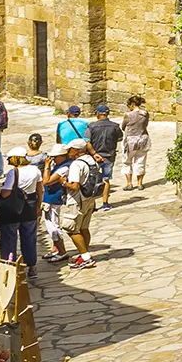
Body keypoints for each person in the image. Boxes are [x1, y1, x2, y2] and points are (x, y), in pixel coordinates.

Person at [0, 150, 40, 269]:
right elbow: (40, 189)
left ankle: (10, 265)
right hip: (30, 207)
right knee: (29, 238)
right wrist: (38, 206)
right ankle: (31, 266)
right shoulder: (35, 170)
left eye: (9, 158)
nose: (8, 161)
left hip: (13, 209)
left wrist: (2, 189)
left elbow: (6, 193)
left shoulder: (13, 172)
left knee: (9, 238)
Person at [60, 139, 99, 268]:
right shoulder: (92, 160)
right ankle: (84, 253)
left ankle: (86, 257)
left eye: (70, 149)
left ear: (76, 151)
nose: (68, 152)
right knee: (83, 228)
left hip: (77, 200)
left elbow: (75, 186)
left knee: (71, 229)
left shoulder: (76, 165)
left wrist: (63, 182)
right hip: (89, 199)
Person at [86, 102, 122, 209]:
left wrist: (94, 153)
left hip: (94, 157)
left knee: (92, 179)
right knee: (105, 180)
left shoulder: (91, 127)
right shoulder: (115, 126)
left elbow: (87, 142)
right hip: (109, 156)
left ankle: (92, 204)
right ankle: (105, 203)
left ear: (97, 114)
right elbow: (120, 138)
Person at [38, 145, 70, 261]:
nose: (53, 159)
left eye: (55, 157)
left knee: (53, 226)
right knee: (49, 224)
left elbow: (47, 181)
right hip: (50, 198)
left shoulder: (64, 168)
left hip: (54, 199)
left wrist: (46, 167)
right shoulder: (58, 166)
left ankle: (62, 251)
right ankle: (55, 249)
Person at [119, 95, 151, 191]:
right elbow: (145, 125)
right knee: (141, 161)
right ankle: (140, 183)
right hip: (143, 139)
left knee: (127, 161)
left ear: (132, 104)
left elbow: (123, 126)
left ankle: (129, 183)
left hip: (130, 140)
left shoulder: (128, 115)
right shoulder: (145, 114)